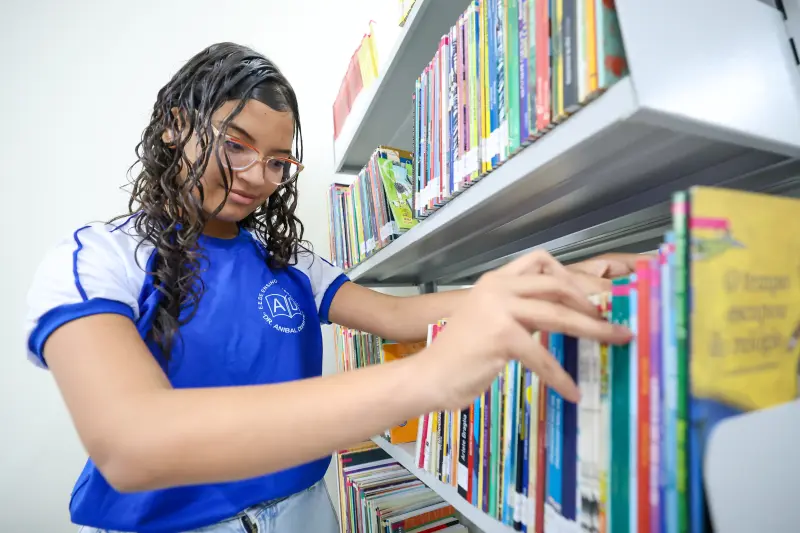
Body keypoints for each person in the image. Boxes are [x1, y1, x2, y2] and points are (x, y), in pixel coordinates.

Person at [24, 42, 637, 533]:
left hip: (304, 509)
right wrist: (427, 377)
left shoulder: (290, 263)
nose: (256, 177)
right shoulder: (98, 259)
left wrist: (550, 281)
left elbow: (397, 317)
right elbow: (131, 445)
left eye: (277, 162)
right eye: (235, 146)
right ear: (172, 128)